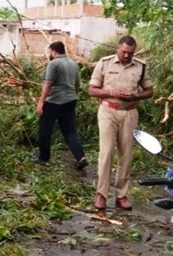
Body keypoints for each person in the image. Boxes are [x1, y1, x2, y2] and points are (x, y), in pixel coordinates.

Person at [89, 36, 153, 212]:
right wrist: (110, 91)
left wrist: (136, 96)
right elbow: (91, 90)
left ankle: (121, 195)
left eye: (130, 53)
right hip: (108, 110)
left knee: (126, 155)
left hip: (130, 112)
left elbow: (149, 91)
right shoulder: (105, 63)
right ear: (118, 48)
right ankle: (101, 194)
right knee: (107, 152)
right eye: (124, 51)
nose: (126, 55)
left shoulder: (141, 66)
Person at [35, 41, 88, 169]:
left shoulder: (54, 64)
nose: (48, 55)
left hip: (53, 101)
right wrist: (73, 96)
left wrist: (41, 102)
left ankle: (43, 157)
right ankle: (80, 156)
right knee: (70, 132)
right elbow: (77, 85)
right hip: (70, 101)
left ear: (53, 51)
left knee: (45, 130)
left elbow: (48, 84)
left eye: (49, 52)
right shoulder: (73, 64)